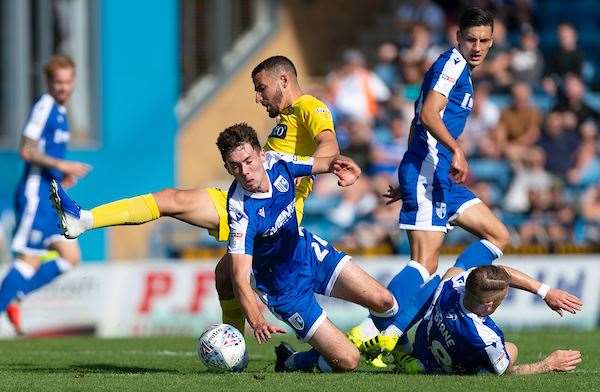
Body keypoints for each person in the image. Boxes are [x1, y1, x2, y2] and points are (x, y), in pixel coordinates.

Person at [55, 123, 405, 373]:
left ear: (261, 155)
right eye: (236, 167)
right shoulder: (239, 211)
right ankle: (294, 360)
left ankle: (393, 350)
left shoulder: (280, 163)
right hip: (284, 289)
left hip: (311, 254)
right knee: (348, 362)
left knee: (387, 303)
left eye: (249, 161)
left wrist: (341, 166)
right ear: (227, 169)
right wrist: (254, 313)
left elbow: (320, 163)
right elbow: (239, 272)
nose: (246, 171)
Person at [48, 56, 339, 333]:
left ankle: (84, 220)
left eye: (261, 88)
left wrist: (318, 166)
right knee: (224, 277)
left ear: (284, 80)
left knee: (171, 200)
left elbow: (328, 146)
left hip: (272, 211)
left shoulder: (309, 107)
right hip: (258, 205)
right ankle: (234, 347)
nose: (257, 97)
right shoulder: (287, 119)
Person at [347, 7, 511, 364]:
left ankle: (442, 289)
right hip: (431, 171)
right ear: (458, 37)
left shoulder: (460, 70)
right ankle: (374, 329)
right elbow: (427, 114)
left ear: (493, 40)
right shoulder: (452, 64)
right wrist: (454, 151)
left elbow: (417, 117)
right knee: (423, 265)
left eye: (485, 40)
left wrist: (409, 167)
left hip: (432, 174)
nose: (478, 47)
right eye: (471, 39)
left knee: (497, 235)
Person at [0, 55, 91, 334]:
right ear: (49, 82)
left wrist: (61, 176)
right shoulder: (44, 107)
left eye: (67, 82)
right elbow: (27, 150)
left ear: (73, 81)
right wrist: (61, 165)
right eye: (58, 82)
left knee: (70, 255)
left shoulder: (61, 113)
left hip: (49, 195)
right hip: (34, 197)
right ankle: (7, 300)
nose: (63, 87)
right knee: (28, 259)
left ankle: (15, 297)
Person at [393, 264, 582, 375]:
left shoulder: (451, 285)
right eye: (504, 296)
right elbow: (508, 372)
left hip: (423, 350)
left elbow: (494, 273)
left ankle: (403, 345)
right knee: (511, 350)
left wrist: (545, 292)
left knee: (454, 268)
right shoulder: (484, 337)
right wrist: (548, 364)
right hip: (444, 367)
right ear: (489, 305)